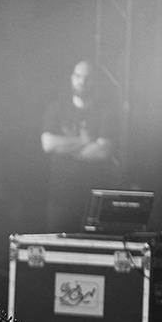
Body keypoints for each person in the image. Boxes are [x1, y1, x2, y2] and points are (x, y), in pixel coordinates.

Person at [40, 59, 117, 232]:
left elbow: (103, 151)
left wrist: (64, 148)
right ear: (71, 77)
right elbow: (48, 144)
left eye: (87, 77)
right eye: (78, 76)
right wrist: (85, 141)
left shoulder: (105, 112)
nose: (82, 81)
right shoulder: (56, 108)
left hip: (94, 198)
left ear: (95, 81)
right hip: (61, 196)